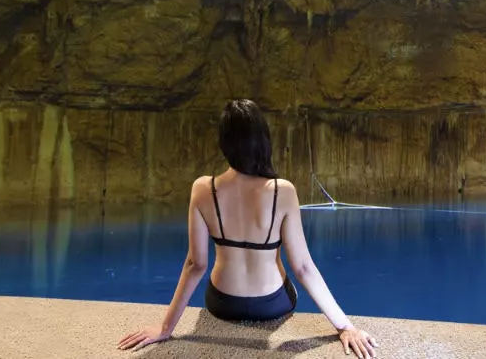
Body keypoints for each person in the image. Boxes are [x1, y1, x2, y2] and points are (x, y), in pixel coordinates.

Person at [118, 99, 378, 357]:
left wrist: (166, 327)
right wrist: (345, 326)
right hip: (272, 304)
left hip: (222, 302)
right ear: (263, 140)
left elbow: (195, 265)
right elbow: (303, 267)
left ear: (225, 143)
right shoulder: (282, 191)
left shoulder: (202, 189)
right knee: (288, 280)